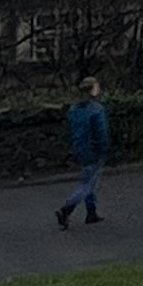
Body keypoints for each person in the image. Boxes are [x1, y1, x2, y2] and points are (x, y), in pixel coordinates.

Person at [57, 76, 110, 230]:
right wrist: (104, 148)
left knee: (89, 180)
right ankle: (66, 209)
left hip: (80, 148)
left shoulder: (74, 109)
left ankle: (91, 211)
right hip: (93, 150)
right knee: (88, 183)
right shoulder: (96, 109)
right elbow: (101, 132)